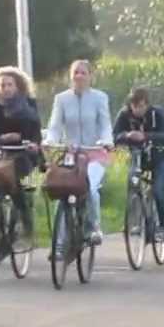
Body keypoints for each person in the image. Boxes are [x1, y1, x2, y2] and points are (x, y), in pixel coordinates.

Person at [44, 59, 113, 245]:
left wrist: (106, 141)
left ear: (91, 76)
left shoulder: (100, 98)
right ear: (71, 76)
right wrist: (51, 141)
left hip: (94, 153)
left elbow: (105, 124)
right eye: (76, 72)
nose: (79, 76)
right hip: (71, 154)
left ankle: (93, 228)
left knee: (89, 187)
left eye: (83, 73)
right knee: (61, 190)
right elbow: (55, 126)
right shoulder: (61, 99)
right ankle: (60, 242)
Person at [0, 66, 42, 248]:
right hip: (0, 154)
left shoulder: (29, 104)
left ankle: (25, 222)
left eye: (8, 85)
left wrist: (32, 144)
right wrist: (2, 138)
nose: (4, 89)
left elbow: (36, 132)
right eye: (0, 85)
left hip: (24, 154)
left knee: (15, 183)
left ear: (17, 86)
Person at [113, 87, 164, 242]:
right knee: (132, 181)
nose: (138, 110)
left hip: (160, 157)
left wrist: (146, 136)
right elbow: (113, 136)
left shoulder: (157, 113)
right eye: (134, 106)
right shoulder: (124, 114)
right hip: (138, 156)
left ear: (147, 105)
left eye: (141, 106)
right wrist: (127, 135)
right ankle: (134, 220)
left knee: (158, 189)